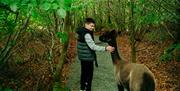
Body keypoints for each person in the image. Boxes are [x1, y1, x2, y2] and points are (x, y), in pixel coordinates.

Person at [76, 18, 115, 91]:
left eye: (93, 26)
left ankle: (82, 88)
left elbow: (86, 44)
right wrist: (106, 48)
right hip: (87, 58)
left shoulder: (81, 31)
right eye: (91, 26)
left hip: (83, 57)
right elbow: (92, 46)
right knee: (89, 76)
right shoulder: (86, 34)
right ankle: (87, 89)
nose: (93, 28)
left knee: (84, 73)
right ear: (86, 24)